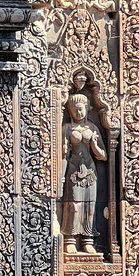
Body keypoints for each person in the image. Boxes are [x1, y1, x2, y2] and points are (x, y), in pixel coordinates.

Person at [61, 92, 107, 254]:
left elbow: (103, 155)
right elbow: (64, 155)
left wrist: (94, 143)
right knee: (73, 204)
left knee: (90, 205)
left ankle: (88, 240)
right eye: (75, 110)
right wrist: (60, 177)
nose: (78, 113)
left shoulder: (93, 128)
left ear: (87, 109)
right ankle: (70, 239)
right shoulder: (67, 128)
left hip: (90, 171)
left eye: (81, 109)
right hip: (74, 169)